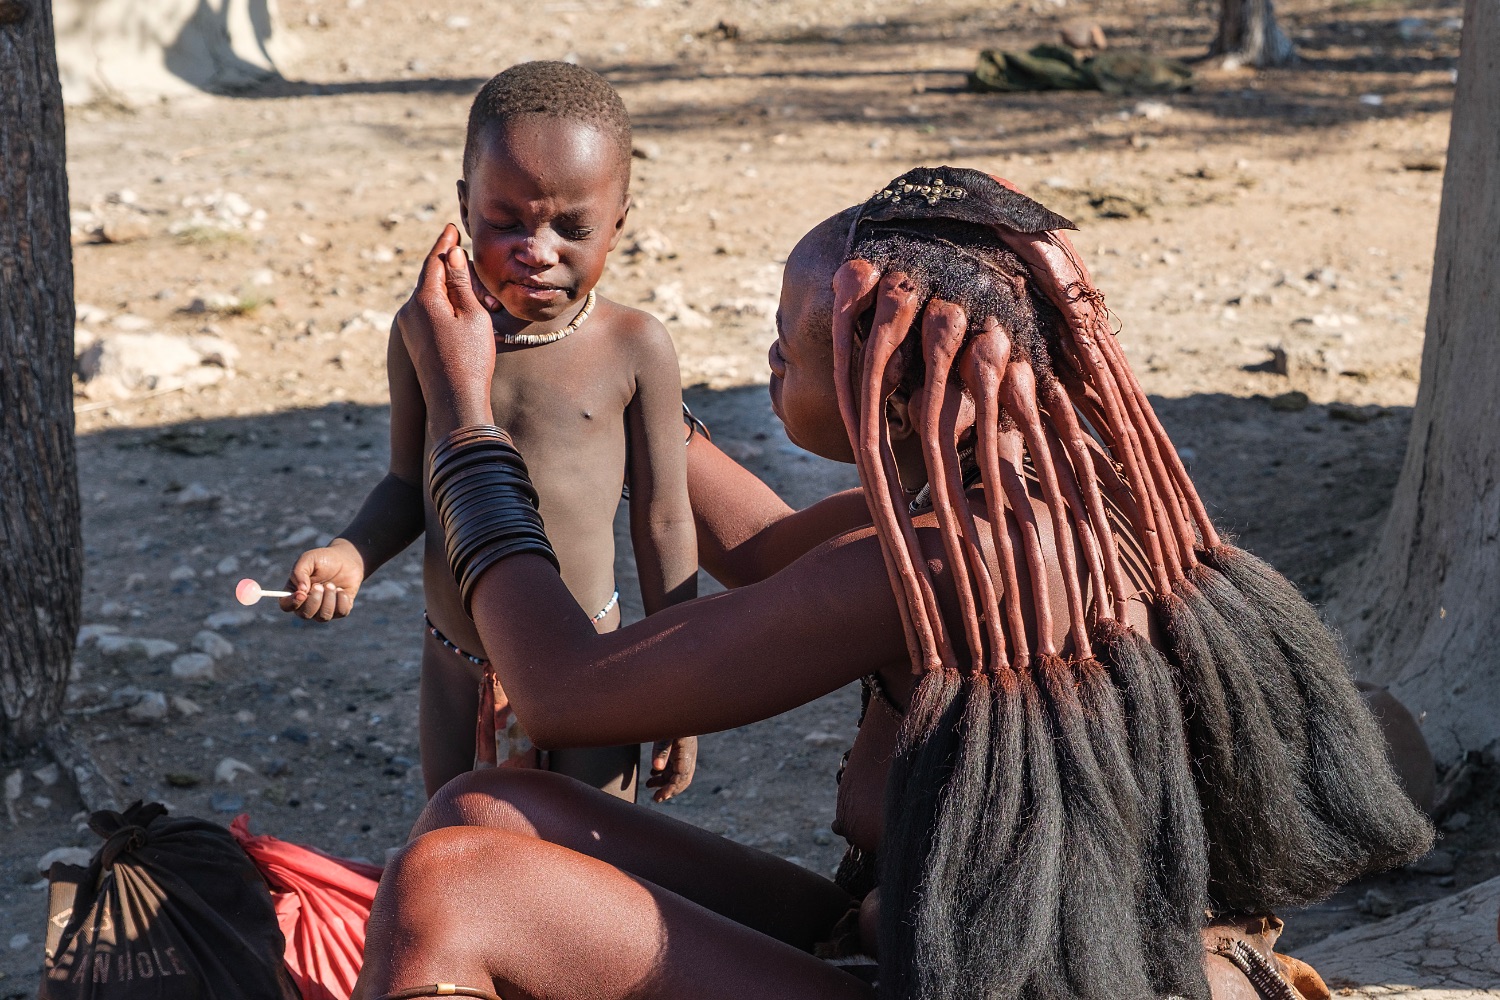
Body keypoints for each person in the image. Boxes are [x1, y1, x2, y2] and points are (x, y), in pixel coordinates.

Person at [351, 167, 1431, 1000]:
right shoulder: (1044, 493)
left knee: (457, 883)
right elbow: (776, 557)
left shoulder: (940, 566)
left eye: (790, 342)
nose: (770, 361)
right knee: (488, 804)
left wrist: (467, 421)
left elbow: (561, 690)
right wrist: (613, 374)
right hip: (927, 941)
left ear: (890, 377)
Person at [276, 61, 698, 802]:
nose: (537, 250)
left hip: (592, 659)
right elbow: (411, 484)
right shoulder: (425, 334)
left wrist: (682, 684)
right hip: (457, 666)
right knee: (463, 849)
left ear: (620, 222)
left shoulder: (634, 347)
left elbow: (663, 518)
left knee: (599, 864)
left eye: (573, 227)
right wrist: (350, 552)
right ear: (466, 207)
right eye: (507, 222)